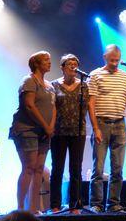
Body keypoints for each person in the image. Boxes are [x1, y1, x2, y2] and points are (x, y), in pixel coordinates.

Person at [9, 51, 56, 214]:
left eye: (49, 60)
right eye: (46, 60)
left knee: (39, 168)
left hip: (44, 132)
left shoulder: (50, 86)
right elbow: (29, 106)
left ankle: (34, 209)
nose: (49, 63)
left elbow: (53, 108)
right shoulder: (29, 80)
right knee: (28, 167)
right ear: (37, 63)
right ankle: (20, 209)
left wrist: (50, 127)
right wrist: (45, 126)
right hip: (27, 130)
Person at [88, 44, 126, 213]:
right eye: (112, 60)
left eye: (118, 60)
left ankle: (113, 203)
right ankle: (96, 204)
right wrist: (95, 128)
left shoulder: (125, 76)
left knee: (117, 168)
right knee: (98, 168)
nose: (115, 63)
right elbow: (90, 103)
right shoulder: (95, 75)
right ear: (104, 57)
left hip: (120, 124)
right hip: (101, 122)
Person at [49, 54, 88, 214]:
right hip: (59, 131)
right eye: (69, 64)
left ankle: (74, 205)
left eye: (75, 64)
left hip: (78, 131)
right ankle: (55, 205)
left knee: (76, 169)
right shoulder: (54, 85)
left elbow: (86, 107)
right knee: (57, 168)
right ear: (62, 67)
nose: (73, 66)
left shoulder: (84, 85)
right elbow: (52, 108)